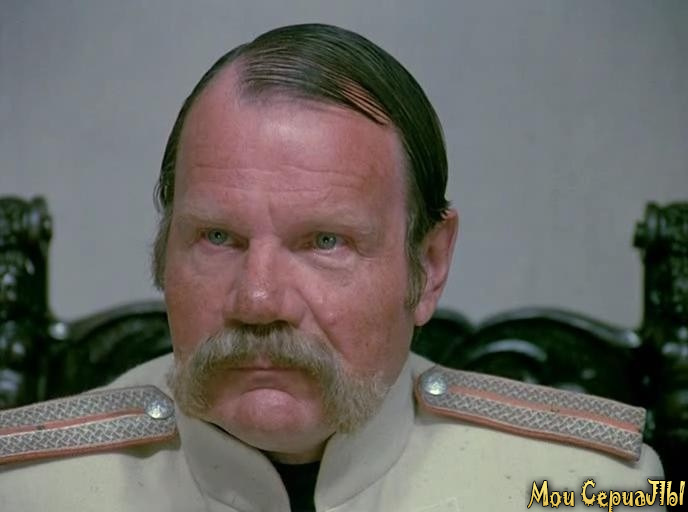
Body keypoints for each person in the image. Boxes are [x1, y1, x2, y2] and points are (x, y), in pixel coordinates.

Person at [0, 23, 664, 512]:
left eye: (324, 241)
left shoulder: (592, 489)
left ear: (429, 265)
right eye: (217, 237)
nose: (259, 300)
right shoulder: (30, 491)